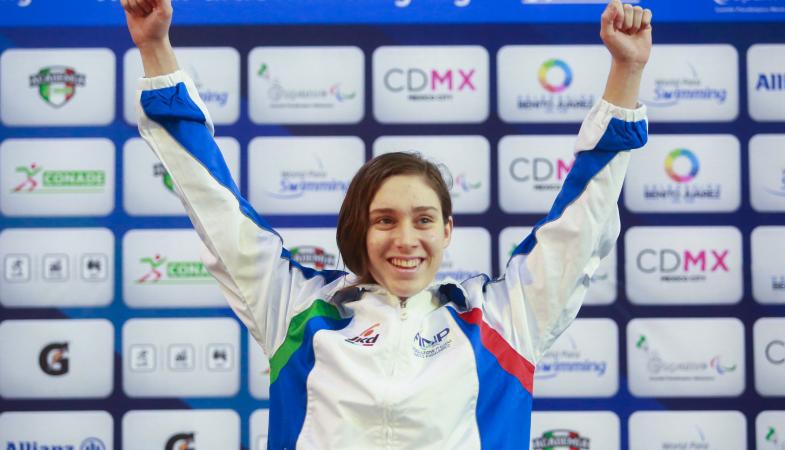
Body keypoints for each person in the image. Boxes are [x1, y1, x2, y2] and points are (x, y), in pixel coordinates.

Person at [122, 0, 652, 448]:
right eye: (384, 220)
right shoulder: (296, 310)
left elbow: (582, 220)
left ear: (447, 230)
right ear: (358, 228)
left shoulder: (507, 316)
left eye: (423, 219)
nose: (406, 239)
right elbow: (213, 201)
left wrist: (625, 74)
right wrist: (155, 51)